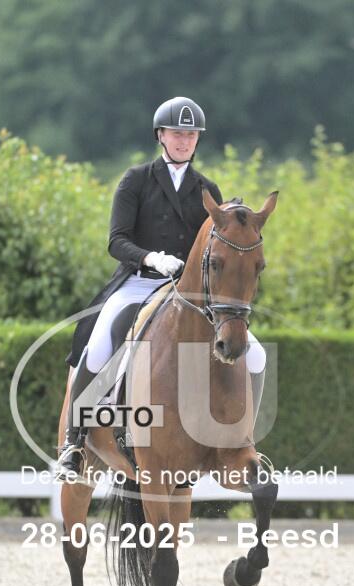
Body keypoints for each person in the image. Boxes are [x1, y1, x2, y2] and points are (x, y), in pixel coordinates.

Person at [57, 96, 266, 479]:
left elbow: (218, 246)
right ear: (161, 136)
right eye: (176, 134)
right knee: (100, 341)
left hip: (188, 292)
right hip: (139, 282)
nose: (184, 141)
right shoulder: (136, 180)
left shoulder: (207, 188)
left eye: (191, 135)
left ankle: (243, 437)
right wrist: (150, 258)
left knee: (257, 356)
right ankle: (74, 441)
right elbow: (116, 240)